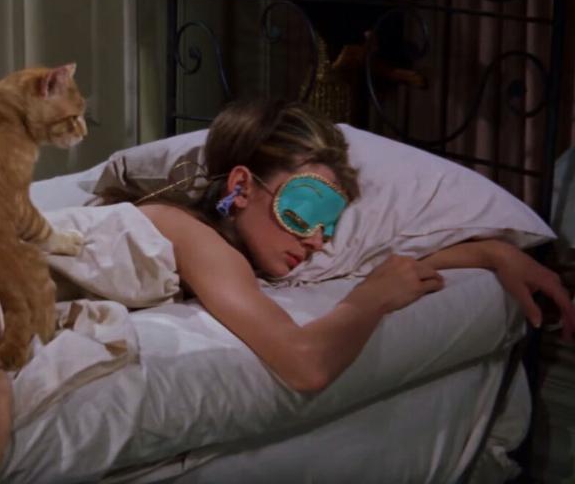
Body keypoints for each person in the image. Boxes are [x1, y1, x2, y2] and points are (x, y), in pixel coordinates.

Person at [133, 100, 574, 393]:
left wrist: (492, 253)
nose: (316, 241)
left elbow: (373, 261)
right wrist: (369, 301)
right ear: (241, 187)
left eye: (328, 227)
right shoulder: (193, 234)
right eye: (304, 211)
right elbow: (305, 365)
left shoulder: (235, 249)